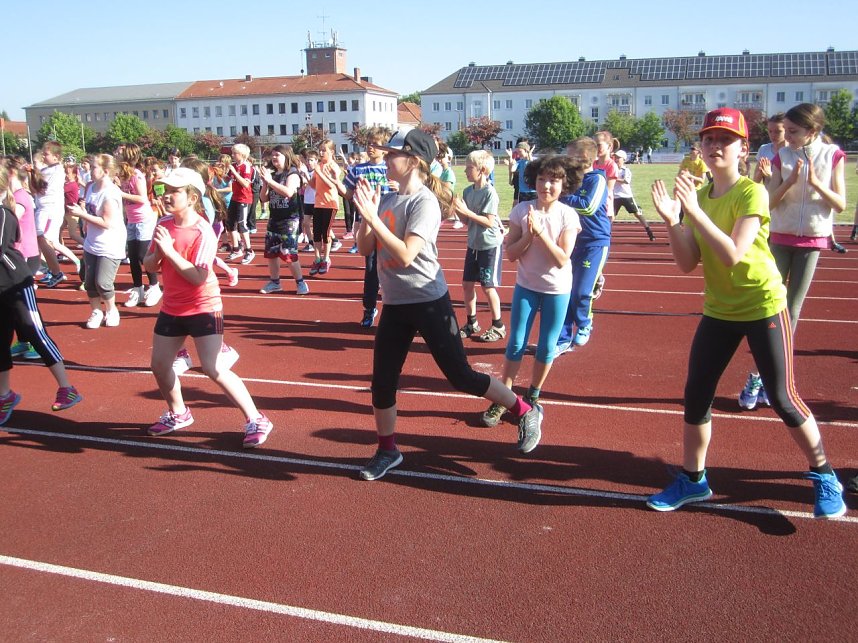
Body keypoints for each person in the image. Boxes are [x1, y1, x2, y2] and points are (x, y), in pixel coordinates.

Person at [646, 107, 846, 519]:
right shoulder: (701, 197)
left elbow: (733, 254)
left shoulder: (751, 193)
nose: (715, 145)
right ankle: (694, 479)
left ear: (743, 149)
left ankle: (825, 474)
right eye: (709, 139)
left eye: (726, 139)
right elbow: (687, 263)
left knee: (783, 397)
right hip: (719, 309)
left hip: (762, 305)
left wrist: (693, 212)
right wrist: (671, 221)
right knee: (696, 394)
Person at [351, 126, 544, 481]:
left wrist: (374, 218)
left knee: (461, 376)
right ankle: (387, 449)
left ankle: (524, 409)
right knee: (382, 382)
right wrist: (367, 216)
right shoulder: (387, 199)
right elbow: (365, 249)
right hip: (395, 303)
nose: (385, 159)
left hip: (428, 300)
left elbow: (406, 255)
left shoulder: (424, 203)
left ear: (413, 161)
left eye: (392, 154)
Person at [143, 168, 272, 447]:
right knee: (159, 365)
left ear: (191, 197)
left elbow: (198, 277)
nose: (166, 196)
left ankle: (256, 418)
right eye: (164, 190)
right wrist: (158, 253)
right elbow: (149, 265)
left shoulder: (203, 230)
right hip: (172, 306)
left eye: (174, 191)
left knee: (213, 367)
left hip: (203, 306)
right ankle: (178, 412)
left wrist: (170, 252)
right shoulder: (163, 223)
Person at [481, 154, 582, 428]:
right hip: (526, 287)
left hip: (557, 290)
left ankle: (533, 395)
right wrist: (528, 233)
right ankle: (504, 397)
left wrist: (541, 233)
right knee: (516, 342)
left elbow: (561, 259)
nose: (546, 185)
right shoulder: (521, 211)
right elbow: (511, 253)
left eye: (553, 180)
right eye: (541, 179)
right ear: (533, 181)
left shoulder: (568, 216)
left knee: (547, 346)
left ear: (564, 184)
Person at [0, 165, 82, 425]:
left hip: (16, 283)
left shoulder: (4, 213)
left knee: (34, 332)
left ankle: (67, 388)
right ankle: (4, 395)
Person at [555, 137, 609, 353]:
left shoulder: (597, 179)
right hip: (571, 241)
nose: (567, 160)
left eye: (570, 156)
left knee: (580, 293)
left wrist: (562, 197)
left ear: (585, 157)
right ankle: (563, 338)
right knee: (564, 291)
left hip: (594, 242)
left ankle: (585, 323)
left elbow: (588, 207)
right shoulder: (570, 179)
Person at [337, 127, 391, 327]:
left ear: (384, 148)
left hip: (391, 224)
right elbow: (348, 193)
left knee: (395, 268)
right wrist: (336, 183)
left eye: (375, 144)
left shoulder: (390, 169)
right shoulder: (357, 169)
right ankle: (369, 308)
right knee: (371, 269)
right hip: (369, 225)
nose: (370, 147)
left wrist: (398, 188)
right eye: (368, 143)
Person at [67, 154, 127, 329]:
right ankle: (96, 311)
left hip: (110, 243)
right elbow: (90, 209)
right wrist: (84, 216)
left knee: (103, 282)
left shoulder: (110, 193)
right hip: (92, 241)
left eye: (94, 167)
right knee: (89, 281)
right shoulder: (91, 187)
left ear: (106, 171)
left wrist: (82, 215)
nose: (90, 170)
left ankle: (111, 310)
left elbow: (107, 222)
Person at [453, 150, 506, 343]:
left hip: (489, 245)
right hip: (473, 244)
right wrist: (457, 209)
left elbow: (489, 222)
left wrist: (467, 211)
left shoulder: (490, 193)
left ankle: (498, 325)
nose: (465, 171)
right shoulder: (468, 191)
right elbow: (467, 221)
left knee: (487, 286)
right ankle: (472, 322)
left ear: (482, 170)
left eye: (469, 168)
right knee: (467, 285)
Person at [258, 145, 310, 296]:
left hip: (290, 219)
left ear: (286, 156)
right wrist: (265, 182)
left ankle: (300, 282)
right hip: (274, 217)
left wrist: (270, 181)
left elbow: (288, 192)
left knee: (288, 253)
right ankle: (275, 282)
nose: (274, 158)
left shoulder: (292, 173)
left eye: (277, 155)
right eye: (273, 155)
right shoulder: (273, 175)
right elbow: (263, 198)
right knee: (272, 252)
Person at [117, 144, 162, 308]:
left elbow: (143, 198)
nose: (116, 154)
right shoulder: (122, 175)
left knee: (143, 255)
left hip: (143, 219)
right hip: (131, 220)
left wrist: (121, 193)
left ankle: (154, 287)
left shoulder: (137, 175)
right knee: (133, 257)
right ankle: (138, 289)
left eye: (119, 152)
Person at [308, 139, 341, 276]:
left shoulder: (333, 166)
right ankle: (317, 258)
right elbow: (314, 185)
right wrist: (307, 176)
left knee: (325, 233)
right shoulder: (319, 166)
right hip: (318, 203)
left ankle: (326, 258)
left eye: (324, 150)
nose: (321, 153)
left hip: (330, 204)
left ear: (331, 152)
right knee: (316, 233)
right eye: (320, 150)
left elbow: (332, 185)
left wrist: (319, 172)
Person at [612, 150, 654, 241]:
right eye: (616, 157)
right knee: (611, 216)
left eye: (619, 158)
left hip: (626, 196)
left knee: (637, 214)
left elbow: (626, 181)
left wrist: (613, 179)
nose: (616, 159)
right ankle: (606, 233)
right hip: (615, 196)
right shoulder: (612, 169)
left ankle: (649, 231)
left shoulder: (626, 170)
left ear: (623, 159)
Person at [224, 143, 255, 265]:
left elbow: (246, 184)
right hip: (235, 197)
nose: (232, 155)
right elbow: (228, 179)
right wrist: (222, 173)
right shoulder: (233, 166)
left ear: (242, 154)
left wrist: (234, 173)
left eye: (234, 153)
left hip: (244, 199)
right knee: (230, 223)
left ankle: (249, 250)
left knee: (242, 225)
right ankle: (236, 249)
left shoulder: (246, 167)